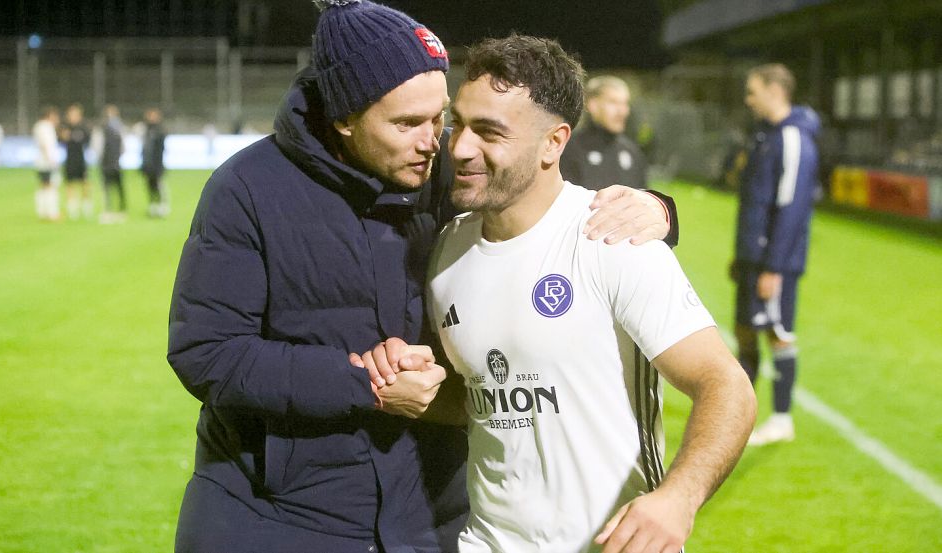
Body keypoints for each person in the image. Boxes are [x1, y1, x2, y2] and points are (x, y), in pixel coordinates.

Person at [167, 2, 677, 552]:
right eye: (407, 123)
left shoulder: (441, 175)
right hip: (275, 515)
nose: (435, 141)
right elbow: (207, 351)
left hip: (427, 511)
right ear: (345, 116)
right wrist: (362, 385)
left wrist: (658, 210)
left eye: (440, 117)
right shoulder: (246, 190)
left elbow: (540, 193)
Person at [361, 34, 756, 553]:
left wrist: (678, 500)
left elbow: (727, 385)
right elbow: (483, 397)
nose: (457, 147)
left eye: (490, 132)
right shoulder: (447, 251)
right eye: (459, 123)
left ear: (554, 142)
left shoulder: (613, 239)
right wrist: (412, 384)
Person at [732, 63, 821, 446]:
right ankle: (736, 416)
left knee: (777, 334)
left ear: (774, 90)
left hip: (774, 263)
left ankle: (782, 419)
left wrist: (774, 267)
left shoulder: (793, 138)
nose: (748, 99)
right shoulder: (764, 136)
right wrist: (743, 256)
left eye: (753, 91)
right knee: (745, 332)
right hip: (754, 258)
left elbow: (791, 207)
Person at [562, 76, 648, 190]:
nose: (622, 111)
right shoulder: (568, 148)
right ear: (593, 105)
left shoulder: (632, 152)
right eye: (613, 102)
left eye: (625, 104)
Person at [59, 103, 93, 220]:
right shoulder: (64, 127)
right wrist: (63, 136)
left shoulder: (84, 127)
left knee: (85, 183)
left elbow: (88, 141)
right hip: (69, 160)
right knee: (70, 184)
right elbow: (60, 141)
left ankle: (86, 207)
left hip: (81, 159)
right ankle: (72, 209)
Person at [33, 107, 62, 221]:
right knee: (51, 186)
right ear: (50, 115)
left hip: (40, 161)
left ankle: (42, 211)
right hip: (47, 162)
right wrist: (51, 160)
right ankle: (52, 213)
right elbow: (46, 145)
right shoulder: (46, 127)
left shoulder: (39, 126)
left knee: (43, 186)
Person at [99, 104, 127, 224]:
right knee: (107, 188)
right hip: (107, 162)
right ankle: (109, 209)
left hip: (115, 162)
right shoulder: (103, 128)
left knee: (119, 187)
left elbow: (123, 147)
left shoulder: (119, 128)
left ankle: (121, 209)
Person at [141, 107, 168, 217]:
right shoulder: (146, 130)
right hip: (148, 165)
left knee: (159, 186)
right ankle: (152, 207)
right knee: (149, 186)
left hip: (157, 164)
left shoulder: (160, 131)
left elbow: (161, 149)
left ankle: (163, 206)